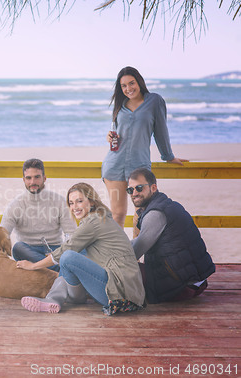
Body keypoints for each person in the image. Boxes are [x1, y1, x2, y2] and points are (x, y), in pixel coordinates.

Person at [17, 183, 145, 316]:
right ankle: (55, 299)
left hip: (119, 293)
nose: (74, 207)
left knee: (68, 256)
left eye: (79, 201)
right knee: (76, 253)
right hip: (123, 290)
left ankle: (54, 298)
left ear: (92, 201)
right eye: (71, 203)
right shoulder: (100, 217)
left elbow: (64, 252)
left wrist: (33, 266)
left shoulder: (94, 221)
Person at [102, 66, 188, 228]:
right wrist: (109, 136)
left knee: (142, 216)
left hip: (139, 165)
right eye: (124, 86)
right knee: (117, 215)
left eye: (131, 83)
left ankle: (138, 253)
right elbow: (116, 130)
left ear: (139, 82)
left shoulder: (154, 101)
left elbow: (161, 131)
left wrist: (168, 156)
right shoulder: (120, 104)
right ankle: (116, 253)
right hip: (114, 165)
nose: (128, 89)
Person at [128, 168, 215, 304]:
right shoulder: (167, 205)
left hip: (180, 287)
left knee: (119, 270)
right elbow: (139, 241)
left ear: (153, 187)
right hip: (196, 281)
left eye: (139, 188)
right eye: (130, 190)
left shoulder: (155, 214)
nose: (134, 193)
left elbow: (134, 253)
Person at [0, 158, 76, 272]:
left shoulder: (59, 201)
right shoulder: (15, 205)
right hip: (28, 251)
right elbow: (2, 234)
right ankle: (59, 270)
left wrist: (59, 253)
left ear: (44, 178)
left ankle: (51, 266)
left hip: (55, 249)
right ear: (23, 180)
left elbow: (71, 233)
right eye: (28, 178)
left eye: (37, 177)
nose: (32, 182)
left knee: (81, 247)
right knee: (17, 248)